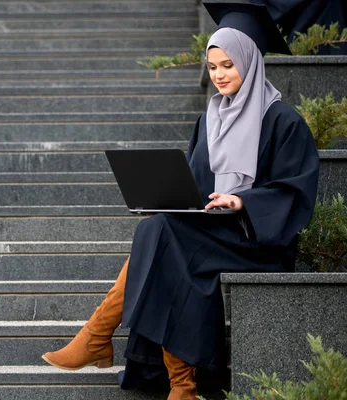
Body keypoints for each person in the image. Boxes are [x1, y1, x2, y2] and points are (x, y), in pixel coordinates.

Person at [41, 2, 320, 399]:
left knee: (162, 236)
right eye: (212, 67)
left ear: (251, 63)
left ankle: (99, 338)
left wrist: (243, 203)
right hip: (207, 232)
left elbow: (295, 191)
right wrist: (169, 198)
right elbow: (196, 183)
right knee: (160, 227)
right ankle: (178, 385)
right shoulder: (210, 120)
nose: (219, 75)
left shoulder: (282, 121)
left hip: (254, 239)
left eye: (228, 65)